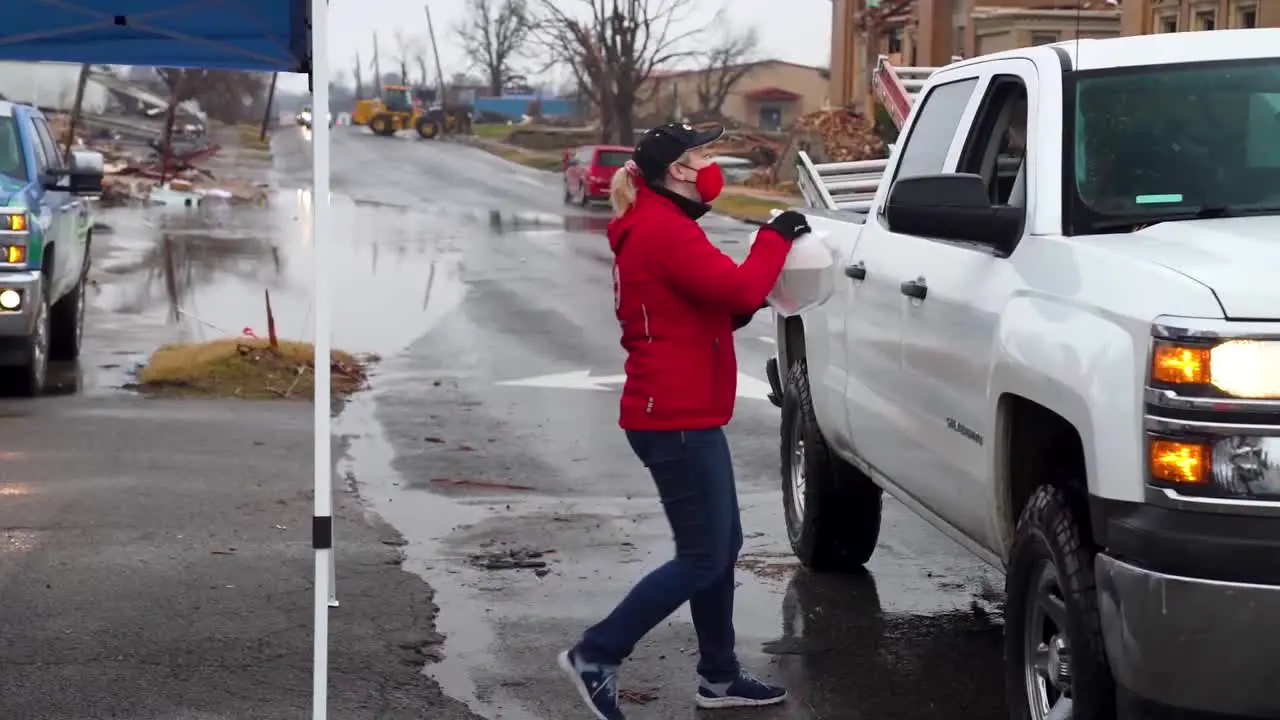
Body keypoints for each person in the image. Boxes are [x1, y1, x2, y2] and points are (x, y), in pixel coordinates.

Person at [556, 122, 813, 720]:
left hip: (682, 411)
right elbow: (744, 287)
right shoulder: (663, 230)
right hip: (671, 417)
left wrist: (729, 315)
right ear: (677, 169)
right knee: (702, 555)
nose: (710, 162)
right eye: (703, 153)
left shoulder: (659, 225)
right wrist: (774, 234)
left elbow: (685, 312)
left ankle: (719, 676)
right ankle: (597, 654)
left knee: (721, 547)